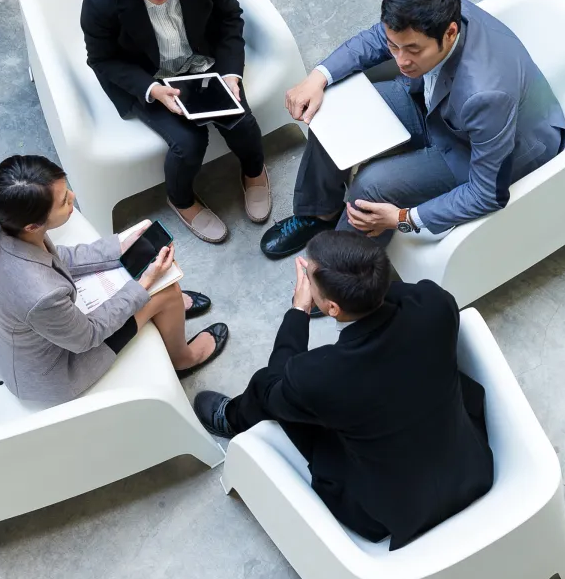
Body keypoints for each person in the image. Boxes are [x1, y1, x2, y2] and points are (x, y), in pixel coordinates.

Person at [193, 232, 493, 548]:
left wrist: (299, 310)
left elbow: (275, 379)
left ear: (331, 307)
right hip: (470, 466)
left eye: (309, 279)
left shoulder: (318, 375)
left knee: (264, 387)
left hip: (386, 511)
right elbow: (403, 294)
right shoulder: (436, 305)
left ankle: (233, 416)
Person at [260, 0, 565, 259]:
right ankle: (319, 213)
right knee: (330, 110)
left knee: (371, 187)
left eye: (413, 50)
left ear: (450, 33)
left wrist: (402, 218)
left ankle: (340, 276)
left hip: (484, 150)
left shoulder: (486, 94)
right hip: (435, 108)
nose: (401, 60)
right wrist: (318, 77)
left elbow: (487, 193)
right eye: (395, 47)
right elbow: (376, 39)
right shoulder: (430, 15)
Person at [0, 155, 230, 402]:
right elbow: (87, 336)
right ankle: (182, 357)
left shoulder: (4, 230)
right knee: (164, 290)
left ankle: (167, 312)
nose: (73, 197)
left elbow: (57, 259)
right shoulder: (40, 294)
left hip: (32, 341)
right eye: (64, 200)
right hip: (57, 371)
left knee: (149, 281)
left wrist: (119, 246)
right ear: (33, 225)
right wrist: (145, 283)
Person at [81, 0, 271, 245]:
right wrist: (152, 89)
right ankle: (181, 199)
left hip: (203, 63)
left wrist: (230, 73)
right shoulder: (101, 0)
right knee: (188, 143)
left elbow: (229, 19)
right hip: (148, 77)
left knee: (241, 121)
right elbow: (102, 59)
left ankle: (254, 171)